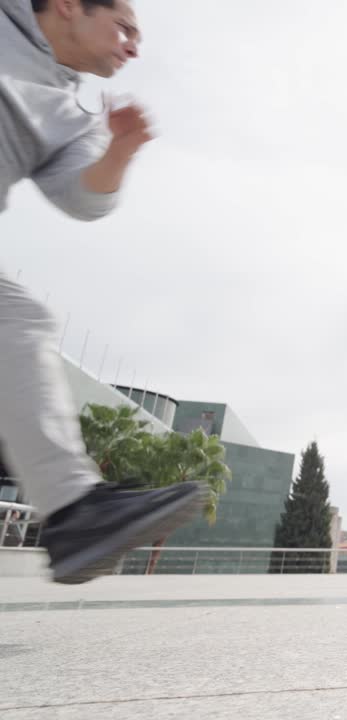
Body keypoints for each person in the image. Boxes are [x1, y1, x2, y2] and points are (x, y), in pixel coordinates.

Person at [1, 0, 207, 584]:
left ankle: (75, 514)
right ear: (69, 6)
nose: (134, 47)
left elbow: (83, 198)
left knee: (18, 320)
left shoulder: (68, 116)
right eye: (123, 28)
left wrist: (119, 152)